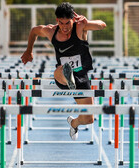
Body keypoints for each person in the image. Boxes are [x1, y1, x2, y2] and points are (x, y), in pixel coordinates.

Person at [21, 2, 106, 140]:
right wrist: (28, 50)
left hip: (81, 76)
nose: (65, 27)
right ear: (57, 21)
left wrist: (88, 21)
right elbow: (34, 31)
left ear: (73, 19)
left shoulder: (80, 26)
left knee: (89, 119)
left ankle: (73, 122)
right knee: (60, 70)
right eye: (61, 23)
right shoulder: (51, 31)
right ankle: (68, 75)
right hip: (62, 76)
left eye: (68, 23)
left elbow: (102, 25)